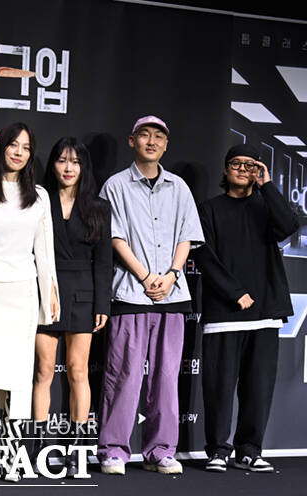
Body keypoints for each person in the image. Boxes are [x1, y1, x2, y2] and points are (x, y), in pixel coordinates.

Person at [97, 116, 204, 475]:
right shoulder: (115, 185)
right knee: (124, 374)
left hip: (173, 295)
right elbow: (114, 237)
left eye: (159, 136)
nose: (152, 141)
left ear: (166, 144)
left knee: (167, 376)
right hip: (131, 292)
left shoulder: (179, 187)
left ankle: (161, 450)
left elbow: (187, 235)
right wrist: (145, 276)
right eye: (145, 135)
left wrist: (172, 274)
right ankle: (113, 450)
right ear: (132, 141)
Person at [0, 122, 60, 482]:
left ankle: (14, 458)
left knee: (17, 379)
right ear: (1, 148)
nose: (19, 152)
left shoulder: (40, 196)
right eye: (13, 145)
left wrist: (49, 296)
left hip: (23, 295)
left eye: (26, 147)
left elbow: (44, 251)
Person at [192, 144, 298, 473]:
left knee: (258, 389)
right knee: (219, 388)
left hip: (265, 312)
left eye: (250, 165)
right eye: (236, 163)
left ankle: (249, 450)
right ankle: (217, 450)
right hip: (225, 314)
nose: (242, 169)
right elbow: (203, 254)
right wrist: (235, 293)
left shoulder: (265, 207)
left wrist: (267, 185)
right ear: (226, 170)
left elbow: (289, 226)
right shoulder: (209, 209)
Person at [32, 137, 112, 476]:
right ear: (52, 164)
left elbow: (104, 260)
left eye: (75, 162)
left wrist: (102, 302)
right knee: (43, 371)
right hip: (44, 291)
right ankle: (39, 449)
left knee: (79, 371)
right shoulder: (38, 200)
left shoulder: (98, 207)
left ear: (84, 167)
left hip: (83, 293)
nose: (68, 168)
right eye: (62, 160)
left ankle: (78, 450)